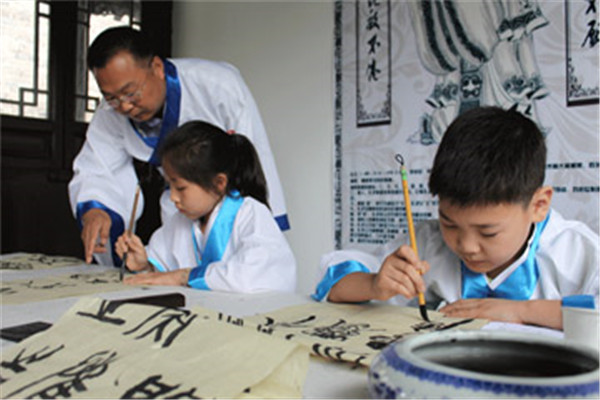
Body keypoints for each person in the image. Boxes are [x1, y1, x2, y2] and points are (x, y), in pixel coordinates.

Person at [312, 106, 599, 330]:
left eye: (487, 232)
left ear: (539, 204)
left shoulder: (575, 251)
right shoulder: (427, 243)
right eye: (449, 223)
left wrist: (520, 312)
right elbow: (334, 283)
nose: (466, 246)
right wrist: (373, 283)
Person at [68, 26, 289, 266]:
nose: (124, 106)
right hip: (180, 215)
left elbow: (249, 157)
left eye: (130, 93)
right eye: (111, 97)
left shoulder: (218, 85)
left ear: (157, 68)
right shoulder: (109, 112)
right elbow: (98, 168)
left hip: (227, 210)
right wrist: (96, 211)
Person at [115, 120, 296, 293]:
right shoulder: (180, 221)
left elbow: (259, 275)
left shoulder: (250, 213)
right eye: (169, 186)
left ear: (219, 183)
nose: (173, 198)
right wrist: (144, 265)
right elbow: (164, 270)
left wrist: (185, 276)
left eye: (180, 188)